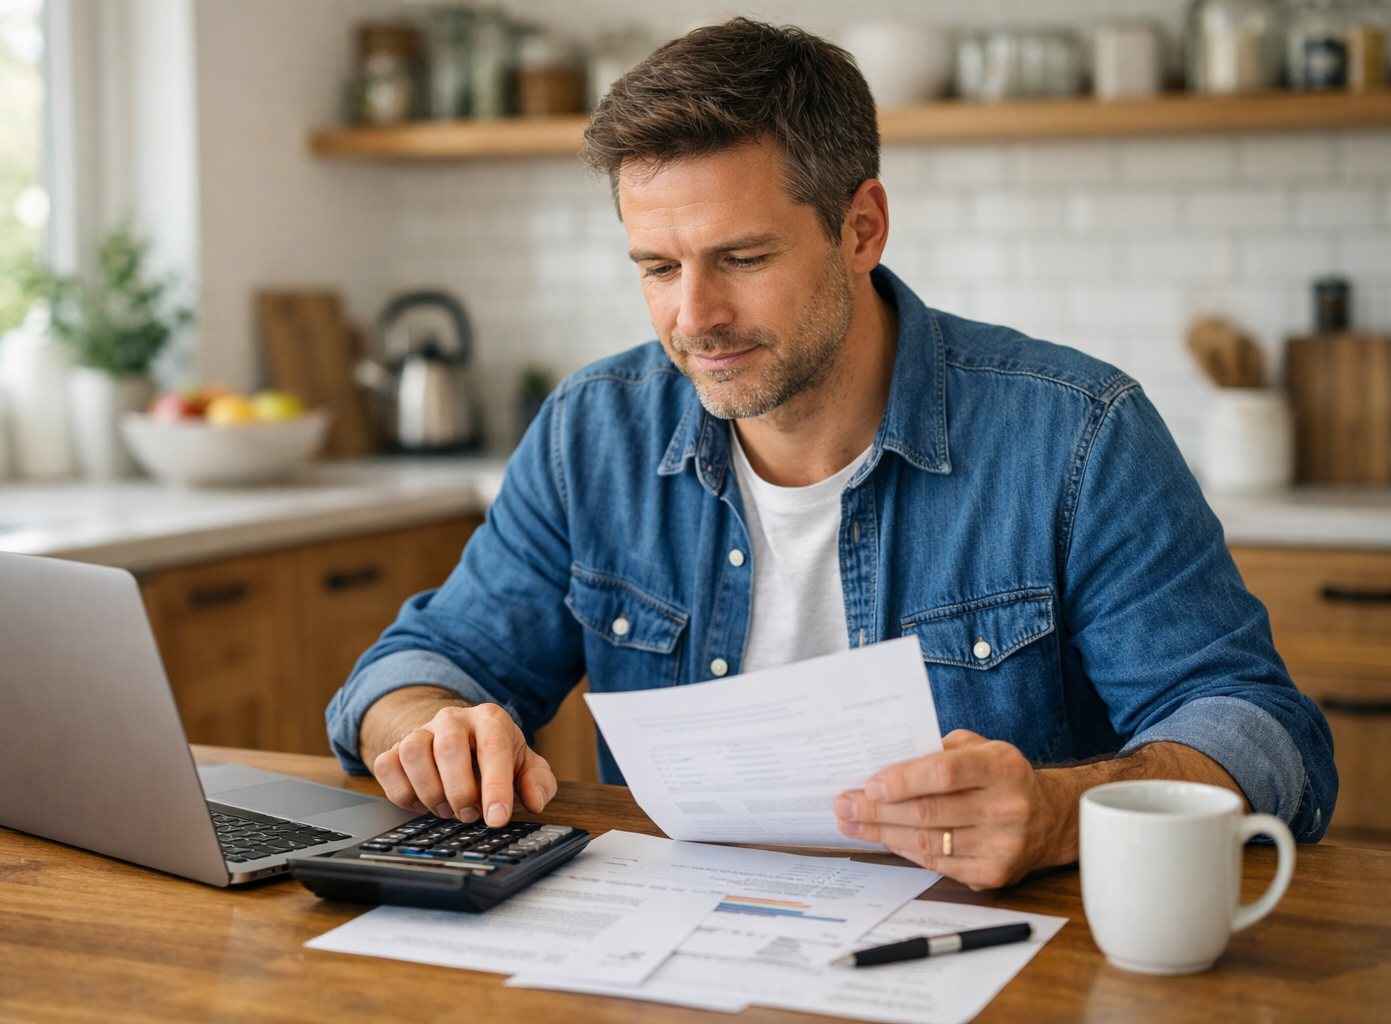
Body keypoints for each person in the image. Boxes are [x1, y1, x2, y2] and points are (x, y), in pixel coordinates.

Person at [326, 19, 1335, 889]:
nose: (694, 319)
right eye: (658, 267)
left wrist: (1060, 810)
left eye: (744, 259)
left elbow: (1261, 732)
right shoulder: (594, 431)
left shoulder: (1076, 433)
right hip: (662, 955)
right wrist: (430, 728)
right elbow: (415, 668)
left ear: (863, 227)